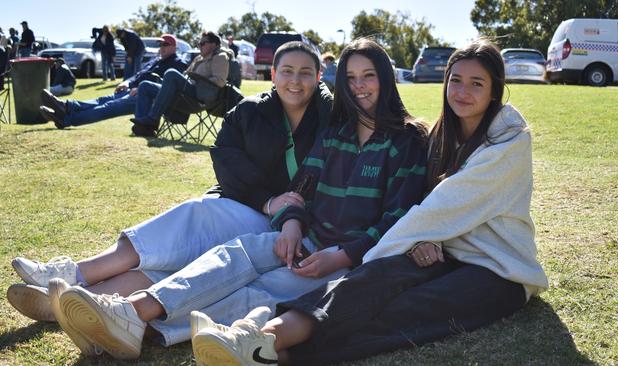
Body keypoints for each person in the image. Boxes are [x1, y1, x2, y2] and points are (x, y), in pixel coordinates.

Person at [48, 37, 428, 361]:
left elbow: (399, 218)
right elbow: (300, 192)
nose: (359, 86)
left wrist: (342, 256)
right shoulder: (336, 134)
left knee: (259, 293)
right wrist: (293, 225)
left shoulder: (406, 140)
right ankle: (131, 313)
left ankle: (142, 330)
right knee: (233, 256)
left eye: (369, 76)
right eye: (350, 78)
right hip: (308, 240)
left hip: (346, 262)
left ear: (386, 79)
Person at [190, 38, 550, 366]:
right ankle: (257, 341)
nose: (462, 91)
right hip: (440, 252)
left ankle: (272, 348)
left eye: (477, 83)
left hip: (496, 270)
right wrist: (425, 241)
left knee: (401, 311)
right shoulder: (444, 135)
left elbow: (447, 207)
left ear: (495, 91)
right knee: (371, 286)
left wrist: (362, 253)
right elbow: (427, 203)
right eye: (456, 80)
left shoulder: (509, 143)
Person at [7, 41, 332, 355]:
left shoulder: (331, 117)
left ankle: (76, 289)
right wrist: (267, 201)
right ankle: (73, 289)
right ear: (272, 74)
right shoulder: (249, 110)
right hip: (252, 205)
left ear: (318, 77)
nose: (295, 80)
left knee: (197, 234)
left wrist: (287, 213)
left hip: (292, 223)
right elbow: (226, 159)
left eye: (305, 72)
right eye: (287, 71)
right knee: (183, 239)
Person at [38, 34, 187, 129]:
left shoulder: (178, 63)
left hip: (147, 96)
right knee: (101, 100)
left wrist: (142, 88)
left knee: (108, 106)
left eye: (165, 45)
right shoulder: (156, 60)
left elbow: (170, 87)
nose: (162, 48)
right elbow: (138, 75)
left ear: (174, 47)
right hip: (132, 90)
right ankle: (66, 107)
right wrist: (127, 83)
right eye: (160, 45)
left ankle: (66, 118)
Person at [130, 31, 231, 137]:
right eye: (198, 44)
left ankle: (153, 119)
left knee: (171, 73)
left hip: (199, 97)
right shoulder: (199, 58)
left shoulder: (220, 57)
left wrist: (199, 79)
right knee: (145, 86)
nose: (199, 46)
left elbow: (220, 81)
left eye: (202, 43)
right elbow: (185, 75)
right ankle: (142, 127)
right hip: (185, 93)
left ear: (213, 44)